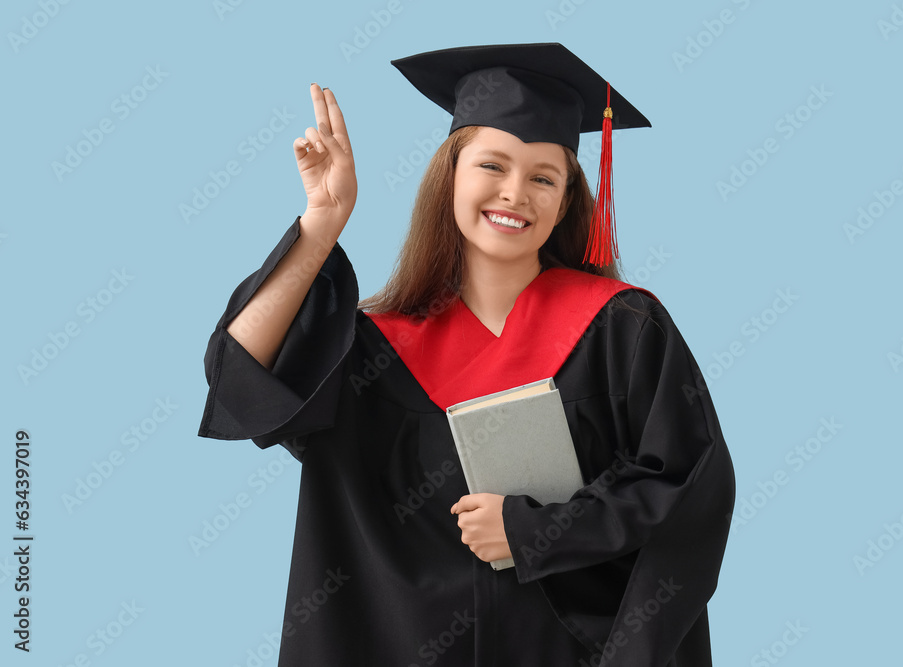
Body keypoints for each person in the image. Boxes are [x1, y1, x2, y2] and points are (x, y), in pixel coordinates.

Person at [198, 42, 736, 667]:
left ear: (566, 202)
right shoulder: (376, 350)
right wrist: (323, 221)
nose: (515, 193)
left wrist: (537, 530)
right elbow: (239, 376)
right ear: (449, 173)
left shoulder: (622, 328)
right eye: (492, 165)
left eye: (543, 177)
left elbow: (692, 490)